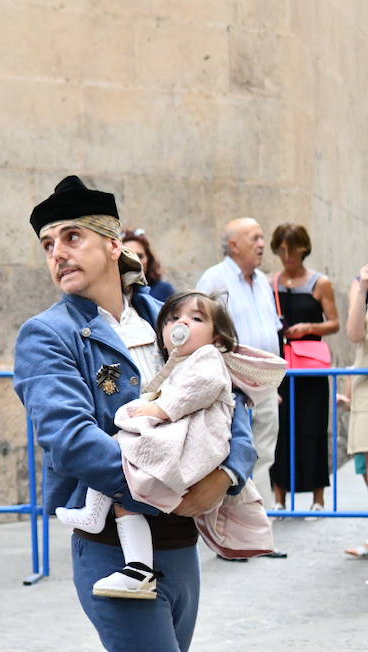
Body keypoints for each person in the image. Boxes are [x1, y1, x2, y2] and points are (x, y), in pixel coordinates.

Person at [15, 176, 256, 652]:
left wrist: (226, 475)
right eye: (48, 244)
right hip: (110, 549)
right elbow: (69, 437)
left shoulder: (171, 314)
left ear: (112, 243)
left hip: (180, 546)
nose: (58, 254)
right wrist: (162, 489)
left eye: (72, 237)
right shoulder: (48, 335)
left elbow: (231, 398)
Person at [57, 291, 282, 596]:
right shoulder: (179, 361)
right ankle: (133, 563)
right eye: (174, 318)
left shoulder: (207, 357)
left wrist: (157, 409)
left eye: (197, 318)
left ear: (217, 338)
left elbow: (200, 389)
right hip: (184, 442)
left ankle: (104, 525)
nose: (183, 322)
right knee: (121, 470)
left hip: (193, 443)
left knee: (124, 449)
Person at [196, 218, 283, 518]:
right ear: (234, 245)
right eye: (255, 238)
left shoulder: (262, 281)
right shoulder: (213, 280)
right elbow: (201, 336)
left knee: (264, 453)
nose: (262, 244)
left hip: (265, 386)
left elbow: (272, 331)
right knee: (231, 458)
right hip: (229, 386)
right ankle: (231, 527)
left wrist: (273, 384)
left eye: (262, 237)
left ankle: (259, 524)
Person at [268, 223, 339, 512]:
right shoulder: (270, 283)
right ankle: (279, 498)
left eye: (292, 250)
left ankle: (318, 499)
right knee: (280, 428)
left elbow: (335, 323)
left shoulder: (320, 283)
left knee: (313, 428)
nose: (287, 256)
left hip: (310, 368)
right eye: (281, 250)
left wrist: (309, 327)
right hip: (281, 366)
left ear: (303, 249)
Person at [344, 262, 368, 559]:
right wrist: (362, 289)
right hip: (366, 391)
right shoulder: (360, 280)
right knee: (365, 464)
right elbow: (353, 334)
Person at [123, 228, 175, 302]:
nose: (135, 261)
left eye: (140, 256)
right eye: (128, 256)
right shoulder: (113, 291)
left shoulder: (164, 290)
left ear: (149, 259)